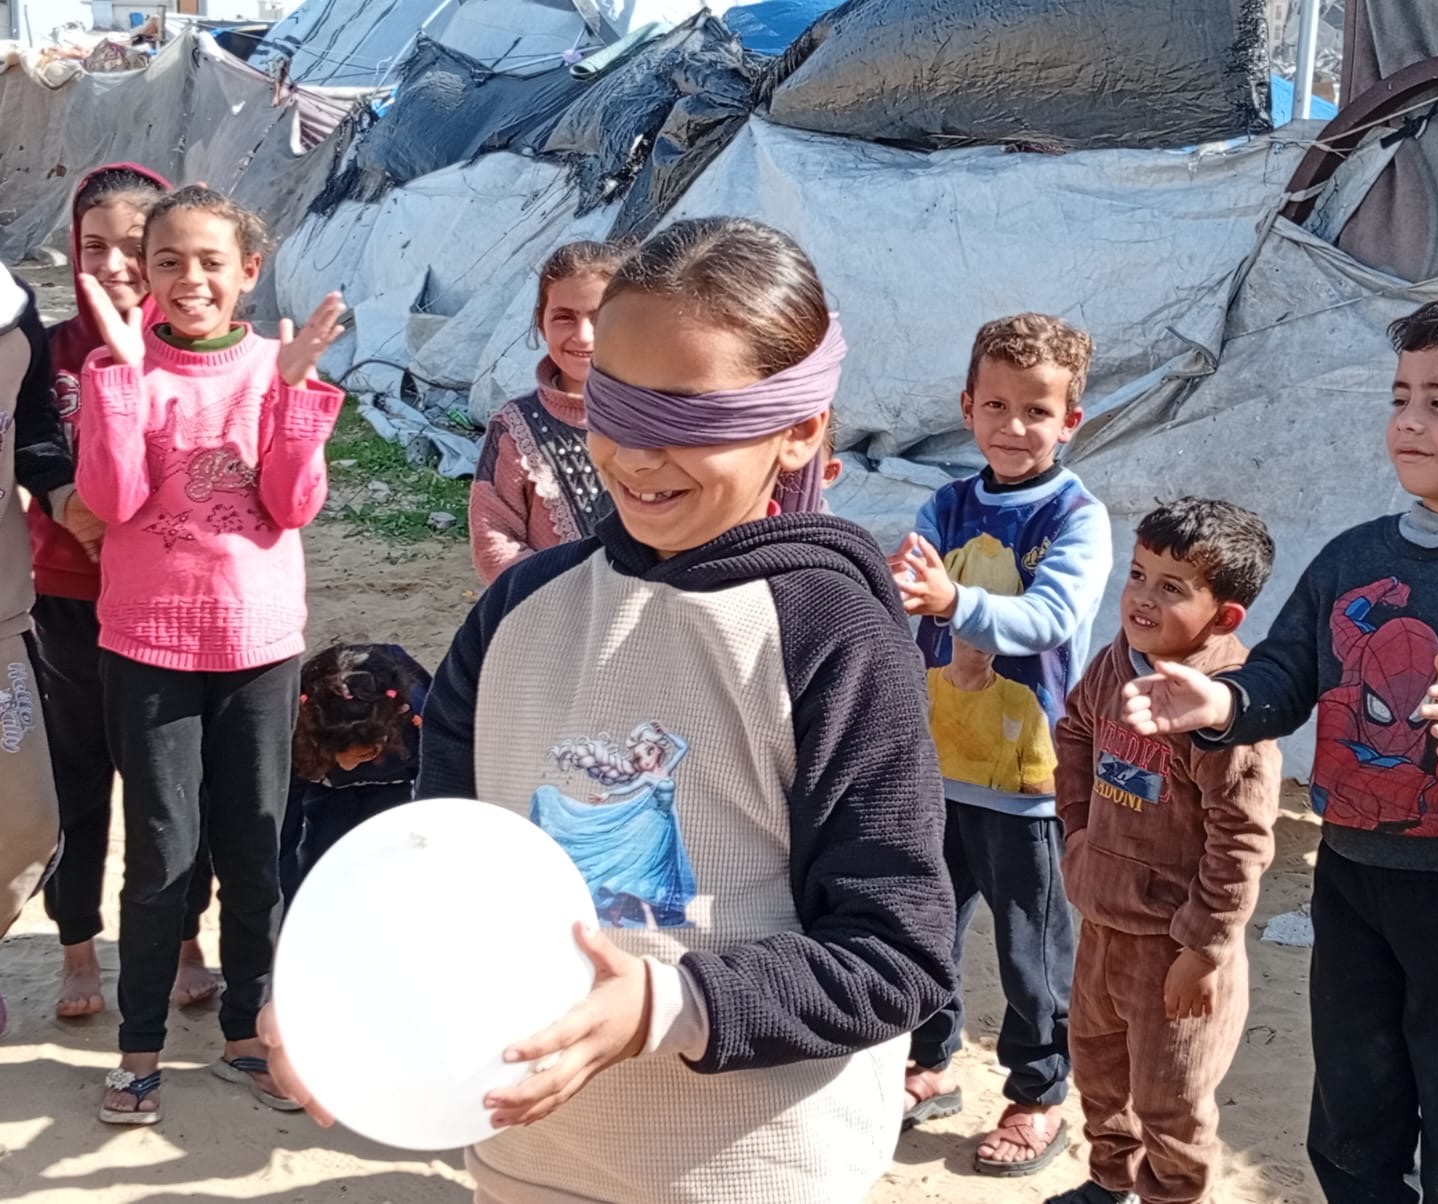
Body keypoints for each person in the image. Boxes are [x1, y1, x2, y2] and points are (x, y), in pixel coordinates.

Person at [263, 215, 956, 1203]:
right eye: (617, 404)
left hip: (747, 1172)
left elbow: (895, 953)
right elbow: (446, 878)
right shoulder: (520, 609)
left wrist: (665, 1005)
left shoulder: (830, 635)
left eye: (691, 415)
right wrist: (344, 999)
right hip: (528, 1161)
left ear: (800, 428)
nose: (637, 451)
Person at [1122, 289, 1438, 1203]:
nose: (1408, 420)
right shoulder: (1352, 557)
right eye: (1400, 396)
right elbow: (1286, 674)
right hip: (1351, 881)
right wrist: (1222, 698)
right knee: (1350, 1121)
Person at [74, 184, 346, 1123]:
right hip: (148, 647)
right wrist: (120, 378)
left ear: (248, 272)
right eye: (168, 262)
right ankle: (138, 1051)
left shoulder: (277, 365)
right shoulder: (123, 370)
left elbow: (293, 504)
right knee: (160, 851)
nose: (189, 279)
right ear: (144, 275)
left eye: (209, 261)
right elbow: (111, 502)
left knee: (254, 847)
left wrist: (295, 394)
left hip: (257, 646)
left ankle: (247, 1036)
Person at [893, 312, 1112, 1176]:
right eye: (995, 406)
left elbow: (1050, 617)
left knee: (1032, 952)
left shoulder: (1075, 516)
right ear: (967, 408)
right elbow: (907, 595)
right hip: (936, 764)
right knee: (923, 926)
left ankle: (1037, 1094)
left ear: (1070, 421)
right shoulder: (945, 505)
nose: (1013, 427)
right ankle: (926, 1062)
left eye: (1037, 411)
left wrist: (952, 604)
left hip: (1028, 777)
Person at [28, 163, 219, 1019]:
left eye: (134, 246)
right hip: (66, 595)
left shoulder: (194, 348)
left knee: (172, 780)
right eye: (92, 245)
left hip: (168, 599)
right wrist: (65, 499)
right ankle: (77, 948)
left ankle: (185, 939)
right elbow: (31, 438)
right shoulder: (47, 348)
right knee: (76, 777)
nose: (111, 264)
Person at [1049, 498, 1280, 1204]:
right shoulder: (1115, 663)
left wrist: (1203, 951)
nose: (1143, 598)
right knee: (1099, 1078)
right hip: (1102, 926)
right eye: (1138, 574)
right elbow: (1075, 732)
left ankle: (1171, 1195)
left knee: (1170, 1101)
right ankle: (1108, 1182)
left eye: (1172, 587)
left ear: (1224, 616)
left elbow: (1241, 839)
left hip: (1173, 952)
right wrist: (1078, 832)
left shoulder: (1226, 708)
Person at [469, 239, 630, 585]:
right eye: (564, 318)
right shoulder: (515, 428)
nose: (583, 336)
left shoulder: (659, 417)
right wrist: (556, 594)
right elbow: (493, 538)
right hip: (548, 606)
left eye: (600, 317)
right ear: (541, 325)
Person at [0, 261, 69, 1037]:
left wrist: (66, 495)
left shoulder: (13, 309)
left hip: (0, 609)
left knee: (26, 821)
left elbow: (37, 428)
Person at [280, 642, 429, 905]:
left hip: (395, 784)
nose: (348, 765)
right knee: (319, 867)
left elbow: (442, 796)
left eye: (364, 755)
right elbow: (282, 835)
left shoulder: (418, 726)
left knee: (390, 869)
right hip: (326, 790)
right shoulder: (298, 734)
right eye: (335, 757)